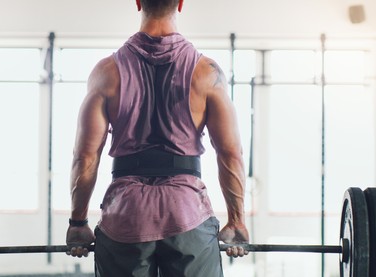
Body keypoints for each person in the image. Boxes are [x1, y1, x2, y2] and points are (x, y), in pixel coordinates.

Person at [66, 0, 249, 276]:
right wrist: (236, 221)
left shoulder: (105, 73)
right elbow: (230, 154)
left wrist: (78, 222)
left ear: (138, 2)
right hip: (187, 213)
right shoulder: (207, 72)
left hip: (126, 216)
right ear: (181, 3)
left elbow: (86, 156)